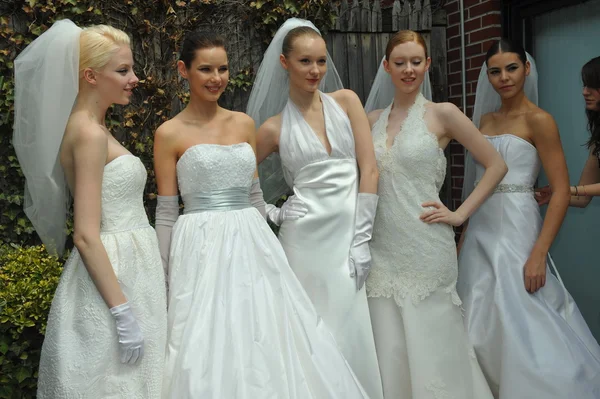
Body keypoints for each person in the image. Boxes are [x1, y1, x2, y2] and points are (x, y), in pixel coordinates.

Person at [153, 30, 370, 398]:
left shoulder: (243, 124)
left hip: (252, 242)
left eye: (222, 68)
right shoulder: (168, 133)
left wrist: (278, 214)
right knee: (207, 336)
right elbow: (167, 212)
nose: (216, 78)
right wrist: (163, 275)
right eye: (205, 69)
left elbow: (254, 194)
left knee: (268, 331)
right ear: (183, 71)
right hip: (200, 247)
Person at [13, 20, 167, 398]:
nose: (134, 78)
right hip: (113, 272)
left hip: (131, 265)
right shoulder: (89, 134)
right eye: (122, 70)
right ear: (90, 75)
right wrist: (121, 312)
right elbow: (84, 234)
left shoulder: (92, 127)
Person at [246, 18, 384, 398]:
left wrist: (362, 238)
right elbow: (239, 181)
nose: (316, 71)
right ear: (285, 63)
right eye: (305, 61)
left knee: (350, 322)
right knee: (312, 325)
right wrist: (271, 214)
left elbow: (369, 168)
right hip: (303, 242)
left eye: (321, 61)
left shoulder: (347, 102)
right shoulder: (272, 128)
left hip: (348, 239)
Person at [457, 39, 600, 399]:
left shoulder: (540, 120)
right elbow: (478, 184)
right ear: (487, 75)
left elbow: (562, 191)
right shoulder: (484, 121)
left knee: (520, 310)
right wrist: (461, 241)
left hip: (518, 228)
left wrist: (539, 253)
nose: (504, 78)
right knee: (474, 312)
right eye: (495, 71)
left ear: (527, 69)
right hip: (480, 229)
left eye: (511, 68)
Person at [363, 29, 503, 398]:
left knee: (434, 340)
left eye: (415, 62)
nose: (408, 69)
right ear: (386, 67)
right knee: (390, 344)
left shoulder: (443, 114)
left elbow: (496, 165)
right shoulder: (371, 118)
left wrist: (460, 215)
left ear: (427, 65)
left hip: (427, 246)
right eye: (399, 62)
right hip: (381, 249)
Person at [536, 56, 600, 207]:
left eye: (592, 86)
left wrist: (567, 190)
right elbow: (582, 199)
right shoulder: (597, 141)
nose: (585, 92)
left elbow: (580, 191)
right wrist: (547, 195)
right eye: (585, 85)